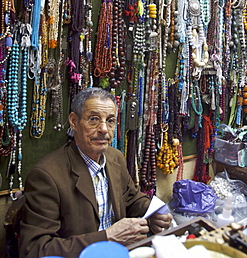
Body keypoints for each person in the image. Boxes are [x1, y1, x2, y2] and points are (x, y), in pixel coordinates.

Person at [20, 87, 172, 258]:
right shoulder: (46, 176)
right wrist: (107, 237)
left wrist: (151, 214)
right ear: (74, 121)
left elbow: (131, 198)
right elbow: (34, 249)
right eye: (94, 119)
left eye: (111, 121)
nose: (104, 129)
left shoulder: (115, 158)